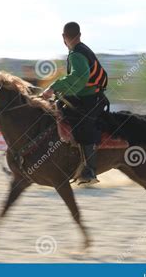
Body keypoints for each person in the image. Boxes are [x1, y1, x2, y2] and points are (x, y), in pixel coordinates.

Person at [42, 22, 109, 184]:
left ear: (64, 37)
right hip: (86, 96)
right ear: (79, 35)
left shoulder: (76, 54)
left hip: (90, 99)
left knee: (82, 127)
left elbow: (78, 79)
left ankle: (90, 172)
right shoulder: (80, 50)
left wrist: (54, 87)